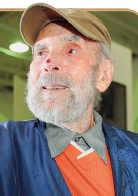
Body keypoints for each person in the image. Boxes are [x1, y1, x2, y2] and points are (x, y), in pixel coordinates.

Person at [0, 3, 138, 196]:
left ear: (104, 75)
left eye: (71, 50)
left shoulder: (134, 150)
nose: (49, 64)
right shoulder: (6, 144)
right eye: (41, 53)